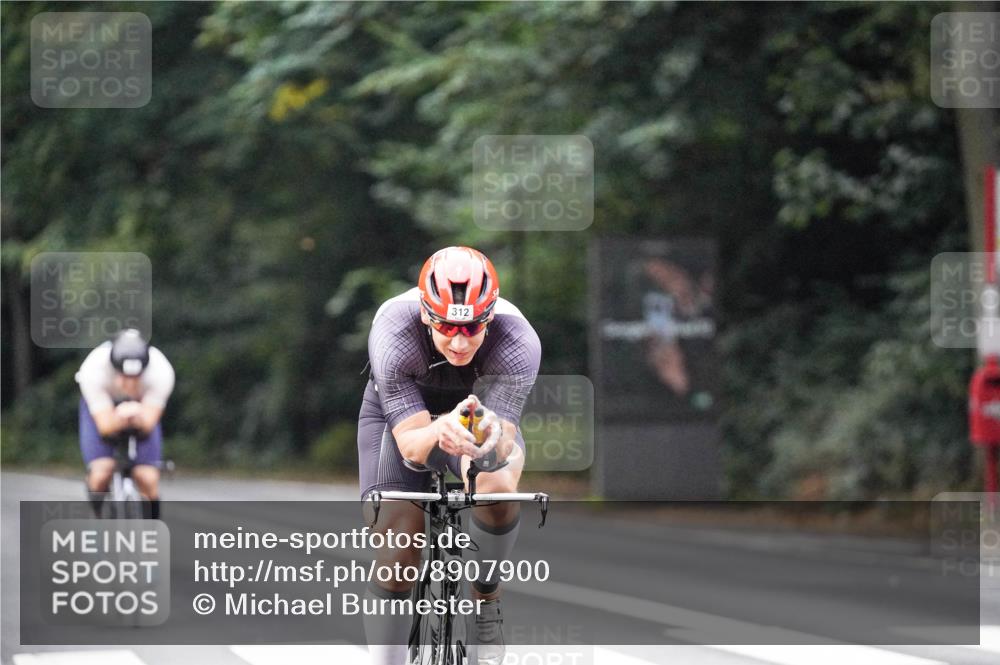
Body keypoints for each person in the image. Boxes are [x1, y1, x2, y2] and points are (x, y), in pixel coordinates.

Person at [358, 246, 541, 665]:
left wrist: (479, 447)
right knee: (399, 543)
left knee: (497, 486)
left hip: (479, 414)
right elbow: (411, 446)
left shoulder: (518, 343)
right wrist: (441, 430)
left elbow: (498, 445)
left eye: (473, 328)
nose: (459, 341)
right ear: (426, 314)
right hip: (398, 418)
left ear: (490, 317)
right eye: (445, 327)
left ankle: (486, 601)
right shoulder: (393, 330)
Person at [75, 328, 175, 519]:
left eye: (136, 378)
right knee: (101, 473)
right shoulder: (94, 370)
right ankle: (97, 518)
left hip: (142, 408)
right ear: (114, 369)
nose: (129, 384)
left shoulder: (161, 372)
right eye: (124, 377)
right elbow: (105, 427)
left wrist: (137, 416)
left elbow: (147, 425)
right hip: (103, 408)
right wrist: (119, 417)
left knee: (148, 477)